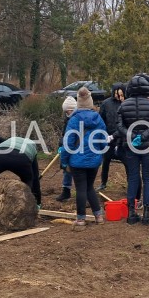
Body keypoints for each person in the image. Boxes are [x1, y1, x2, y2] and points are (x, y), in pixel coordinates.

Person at [117, 73, 149, 225]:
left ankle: (131, 213)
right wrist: (143, 136)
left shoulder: (123, 105)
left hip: (130, 147)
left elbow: (119, 126)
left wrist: (131, 136)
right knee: (148, 178)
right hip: (148, 146)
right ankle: (147, 214)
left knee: (133, 178)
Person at [61, 87, 107, 229]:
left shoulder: (74, 120)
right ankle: (98, 216)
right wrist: (98, 153)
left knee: (81, 188)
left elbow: (68, 143)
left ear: (78, 103)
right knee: (89, 187)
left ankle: (80, 220)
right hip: (94, 160)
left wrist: (64, 161)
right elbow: (104, 140)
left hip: (77, 161)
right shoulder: (98, 118)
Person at [97, 83, 126, 190]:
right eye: (115, 93)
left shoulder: (125, 103)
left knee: (127, 162)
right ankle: (103, 183)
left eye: (119, 94)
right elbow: (101, 119)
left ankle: (130, 183)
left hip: (122, 137)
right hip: (109, 137)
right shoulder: (106, 103)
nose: (117, 96)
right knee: (106, 161)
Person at [55, 96, 77, 201]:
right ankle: (66, 191)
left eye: (67, 111)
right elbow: (64, 135)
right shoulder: (67, 119)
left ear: (71, 109)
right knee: (66, 169)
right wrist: (61, 145)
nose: (66, 114)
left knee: (77, 171)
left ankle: (83, 194)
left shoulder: (77, 119)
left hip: (76, 148)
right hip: (67, 147)